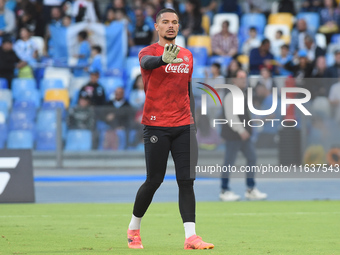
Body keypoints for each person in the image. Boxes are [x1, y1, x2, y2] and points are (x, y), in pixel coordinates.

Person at [127, 8, 214, 250]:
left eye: (174, 22)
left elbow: (188, 91)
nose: (170, 26)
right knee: (154, 180)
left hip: (184, 125)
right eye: (165, 22)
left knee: (186, 181)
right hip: (156, 125)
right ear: (157, 27)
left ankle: (191, 237)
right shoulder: (148, 52)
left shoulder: (187, 55)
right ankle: (134, 228)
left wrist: (193, 123)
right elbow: (147, 63)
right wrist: (163, 60)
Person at [220, 69, 268, 201]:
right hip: (234, 135)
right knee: (229, 162)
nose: (243, 80)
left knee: (252, 158)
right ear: (234, 80)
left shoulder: (244, 94)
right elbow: (231, 116)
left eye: (244, 77)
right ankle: (224, 190)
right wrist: (241, 130)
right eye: (240, 77)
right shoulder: (230, 95)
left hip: (244, 135)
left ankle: (250, 189)